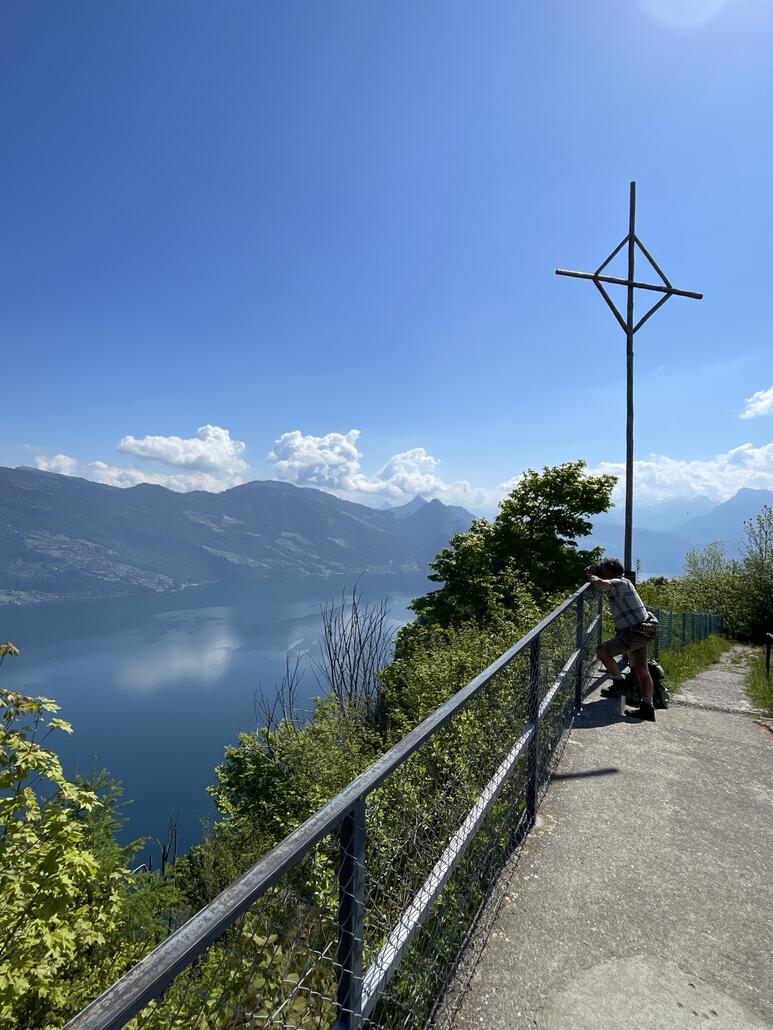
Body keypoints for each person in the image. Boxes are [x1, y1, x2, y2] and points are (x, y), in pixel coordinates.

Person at [587, 558, 659, 722]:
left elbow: (601, 584)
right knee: (641, 669)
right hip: (642, 630)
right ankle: (647, 708)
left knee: (602, 651)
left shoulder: (620, 582)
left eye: (602, 568)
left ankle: (619, 684)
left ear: (609, 571)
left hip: (634, 633)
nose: (600, 570)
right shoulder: (624, 583)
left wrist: (592, 575)